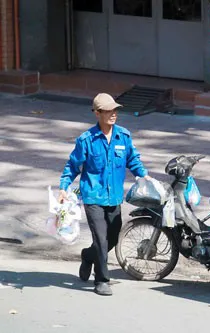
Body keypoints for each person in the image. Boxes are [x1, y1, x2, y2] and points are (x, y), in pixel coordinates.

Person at [59, 93, 150, 296]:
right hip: (92, 196)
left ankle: (88, 256)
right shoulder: (87, 140)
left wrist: (144, 176)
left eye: (115, 110)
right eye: (108, 111)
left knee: (113, 237)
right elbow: (72, 165)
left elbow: (133, 160)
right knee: (100, 238)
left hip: (114, 196)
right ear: (97, 113)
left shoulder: (123, 136)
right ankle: (101, 280)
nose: (113, 114)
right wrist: (64, 187)